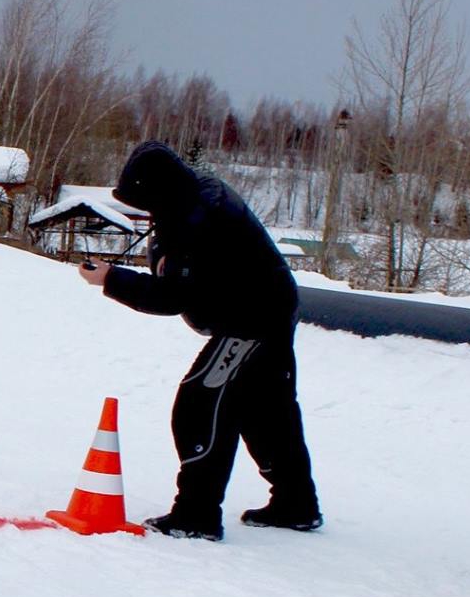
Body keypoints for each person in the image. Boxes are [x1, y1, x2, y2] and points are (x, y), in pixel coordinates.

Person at [81, 141, 321, 540]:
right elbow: (179, 270)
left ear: (161, 192)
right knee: (267, 410)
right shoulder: (192, 202)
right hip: (270, 309)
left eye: (146, 202)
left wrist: (110, 279)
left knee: (200, 403)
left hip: (251, 319)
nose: (146, 213)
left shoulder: (202, 221)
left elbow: (172, 296)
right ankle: (296, 503)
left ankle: (197, 514)